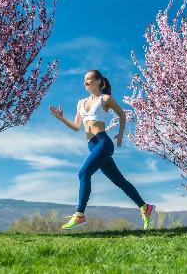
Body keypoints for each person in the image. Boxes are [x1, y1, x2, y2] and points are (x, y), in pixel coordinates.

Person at [49, 69, 156, 230]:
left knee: (83, 173)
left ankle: (80, 215)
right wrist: (61, 117)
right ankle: (145, 207)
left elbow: (122, 114)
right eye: (84, 79)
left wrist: (120, 135)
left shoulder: (105, 99)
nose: (85, 82)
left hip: (103, 143)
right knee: (119, 181)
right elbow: (76, 126)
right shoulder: (81, 102)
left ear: (98, 81)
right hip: (92, 145)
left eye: (89, 79)